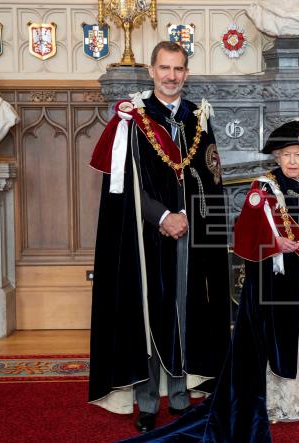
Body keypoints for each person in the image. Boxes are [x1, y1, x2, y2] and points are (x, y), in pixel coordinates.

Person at [123, 114, 299, 442]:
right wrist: (276, 243)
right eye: (286, 155)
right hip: (276, 284)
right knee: (279, 340)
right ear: (277, 157)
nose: (293, 161)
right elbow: (245, 237)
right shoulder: (262, 189)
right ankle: (279, 403)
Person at [88, 41, 231, 433]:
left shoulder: (196, 119)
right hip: (145, 235)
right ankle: (148, 400)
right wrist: (164, 216)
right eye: (165, 68)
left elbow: (210, 179)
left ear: (186, 72)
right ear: (151, 70)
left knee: (187, 310)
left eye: (179, 69)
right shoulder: (133, 119)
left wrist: (189, 219)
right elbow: (125, 185)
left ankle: (182, 394)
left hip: (191, 235)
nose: (171, 76)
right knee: (151, 312)